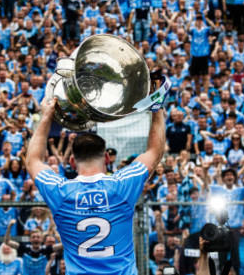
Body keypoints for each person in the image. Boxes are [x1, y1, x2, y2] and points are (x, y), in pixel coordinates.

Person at [26, 99, 166, 275]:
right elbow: (155, 151)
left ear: (72, 162)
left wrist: (46, 116)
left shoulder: (60, 192)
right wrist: (157, 106)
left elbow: (32, 161)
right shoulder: (122, 186)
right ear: (107, 158)